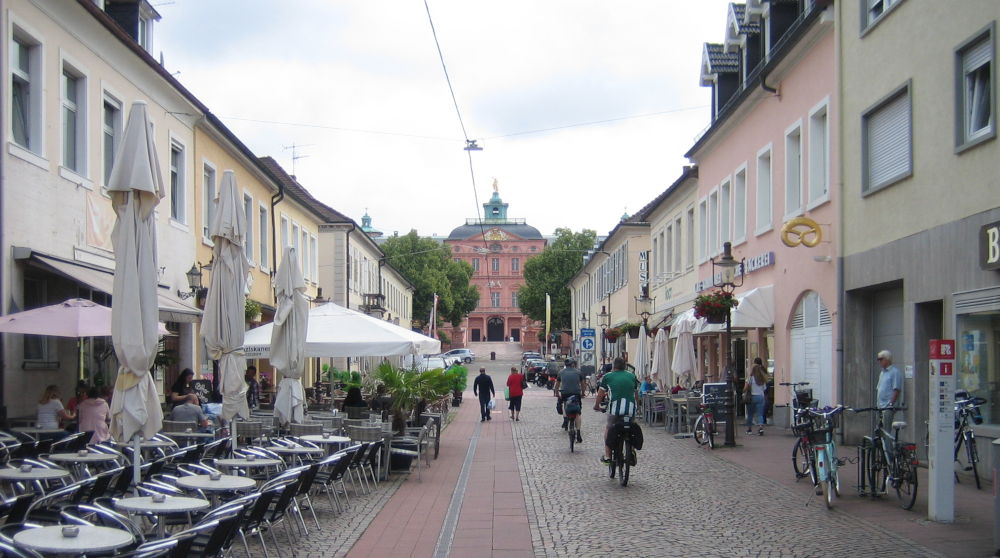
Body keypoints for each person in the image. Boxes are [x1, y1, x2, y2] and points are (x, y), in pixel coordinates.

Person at [594, 357, 639, 465]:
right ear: (625, 366)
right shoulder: (632, 376)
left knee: (609, 428)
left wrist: (596, 406)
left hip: (615, 410)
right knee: (631, 428)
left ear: (613, 366)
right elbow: (636, 394)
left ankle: (608, 456)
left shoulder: (608, 376)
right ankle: (631, 451)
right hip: (630, 409)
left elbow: (601, 394)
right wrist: (637, 407)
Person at [554, 359, 585, 441]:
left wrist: (557, 393)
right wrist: (583, 393)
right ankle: (578, 432)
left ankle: (565, 419)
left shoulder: (561, 372)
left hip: (565, 393)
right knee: (578, 413)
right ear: (573, 365)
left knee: (565, 404)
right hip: (576, 393)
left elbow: (557, 384)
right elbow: (583, 384)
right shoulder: (578, 372)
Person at [876, 350, 903, 425]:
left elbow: (896, 389)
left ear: (887, 359)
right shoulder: (882, 373)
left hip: (887, 406)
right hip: (880, 406)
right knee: (879, 429)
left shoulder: (895, 372)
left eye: (881, 359)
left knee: (886, 429)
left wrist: (890, 404)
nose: (880, 362)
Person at [743, 358, 768, 436]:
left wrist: (744, 391)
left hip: (751, 398)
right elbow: (764, 389)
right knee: (760, 414)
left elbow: (745, 388)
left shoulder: (750, 378)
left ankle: (749, 429)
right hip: (760, 397)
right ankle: (760, 428)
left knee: (750, 414)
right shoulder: (762, 379)